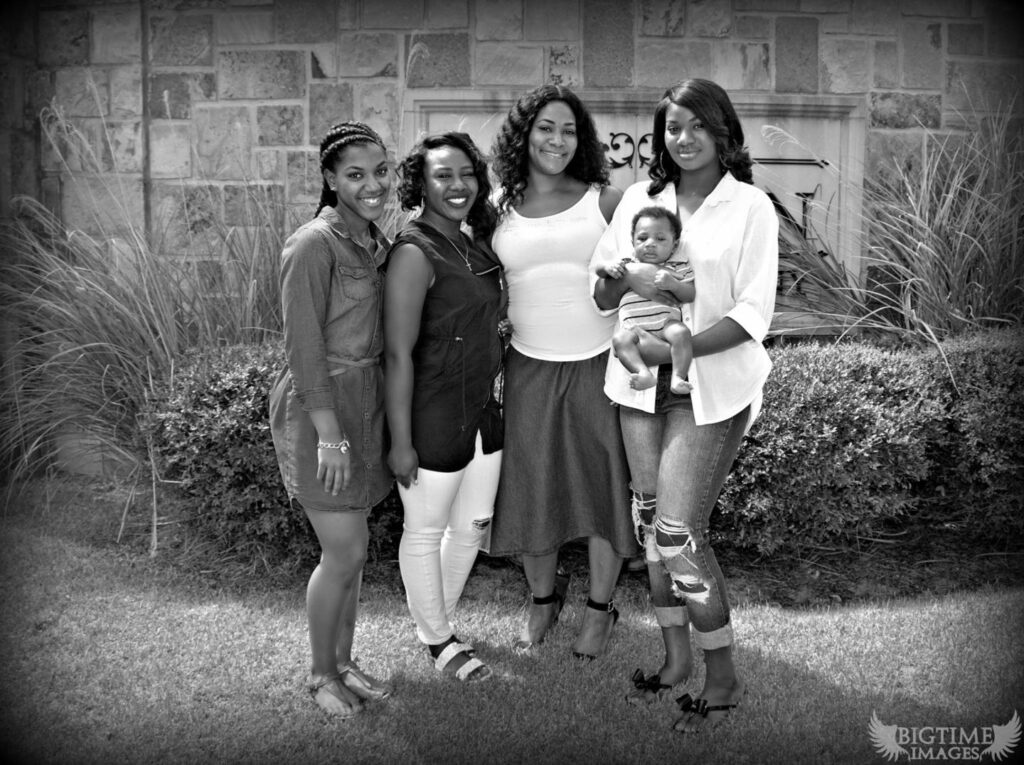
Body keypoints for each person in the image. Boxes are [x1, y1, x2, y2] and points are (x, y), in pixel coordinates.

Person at [592, 78, 779, 733]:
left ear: (723, 130)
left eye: (699, 124)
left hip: (712, 393)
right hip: (637, 392)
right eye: (674, 126)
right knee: (651, 526)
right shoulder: (640, 200)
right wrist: (617, 279)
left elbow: (754, 311)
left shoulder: (751, 206)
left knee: (676, 532)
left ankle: (721, 674)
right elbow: (603, 296)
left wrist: (681, 350)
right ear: (660, 135)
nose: (685, 137)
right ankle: (674, 659)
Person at [487, 84, 637, 660]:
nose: (557, 140)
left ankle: (601, 608)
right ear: (524, 134)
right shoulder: (496, 206)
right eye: (546, 127)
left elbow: (640, 272)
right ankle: (542, 598)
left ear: (583, 140)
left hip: (600, 366)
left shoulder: (606, 202)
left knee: (604, 490)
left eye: (569, 130)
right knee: (532, 489)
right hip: (527, 366)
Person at [268, 121, 395, 717]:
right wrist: (329, 435)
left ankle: (343, 664)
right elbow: (303, 348)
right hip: (324, 408)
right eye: (355, 175)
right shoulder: (312, 244)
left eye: (380, 172)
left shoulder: (376, 242)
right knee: (341, 550)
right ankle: (321, 676)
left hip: (366, 401)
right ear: (329, 179)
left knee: (357, 549)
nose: (372, 185)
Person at [384, 132, 505, 683]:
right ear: (421, 184)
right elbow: (397, 353)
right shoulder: (414, 251)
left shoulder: (474, 244)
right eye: (442, 175)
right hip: (433, 410)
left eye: (466, 174)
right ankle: (439, 639)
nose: (457, 185)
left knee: (473, 525)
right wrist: (402, 440)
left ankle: (436, 621)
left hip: (482, 408)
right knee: (426, 529)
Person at [597, 206, 695, 394]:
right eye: (642, 238)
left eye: (660, 239)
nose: (650, 244)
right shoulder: (627, 264)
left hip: (666, 324)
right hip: (633, 328)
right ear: (632, 241)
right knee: (620, 340)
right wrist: (608, 267)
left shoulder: (678, 267)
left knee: (681, 333)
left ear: (674, 245)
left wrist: (673, 284)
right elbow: (599, 271)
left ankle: (679, 377)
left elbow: (689, 294)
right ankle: (643, 373)